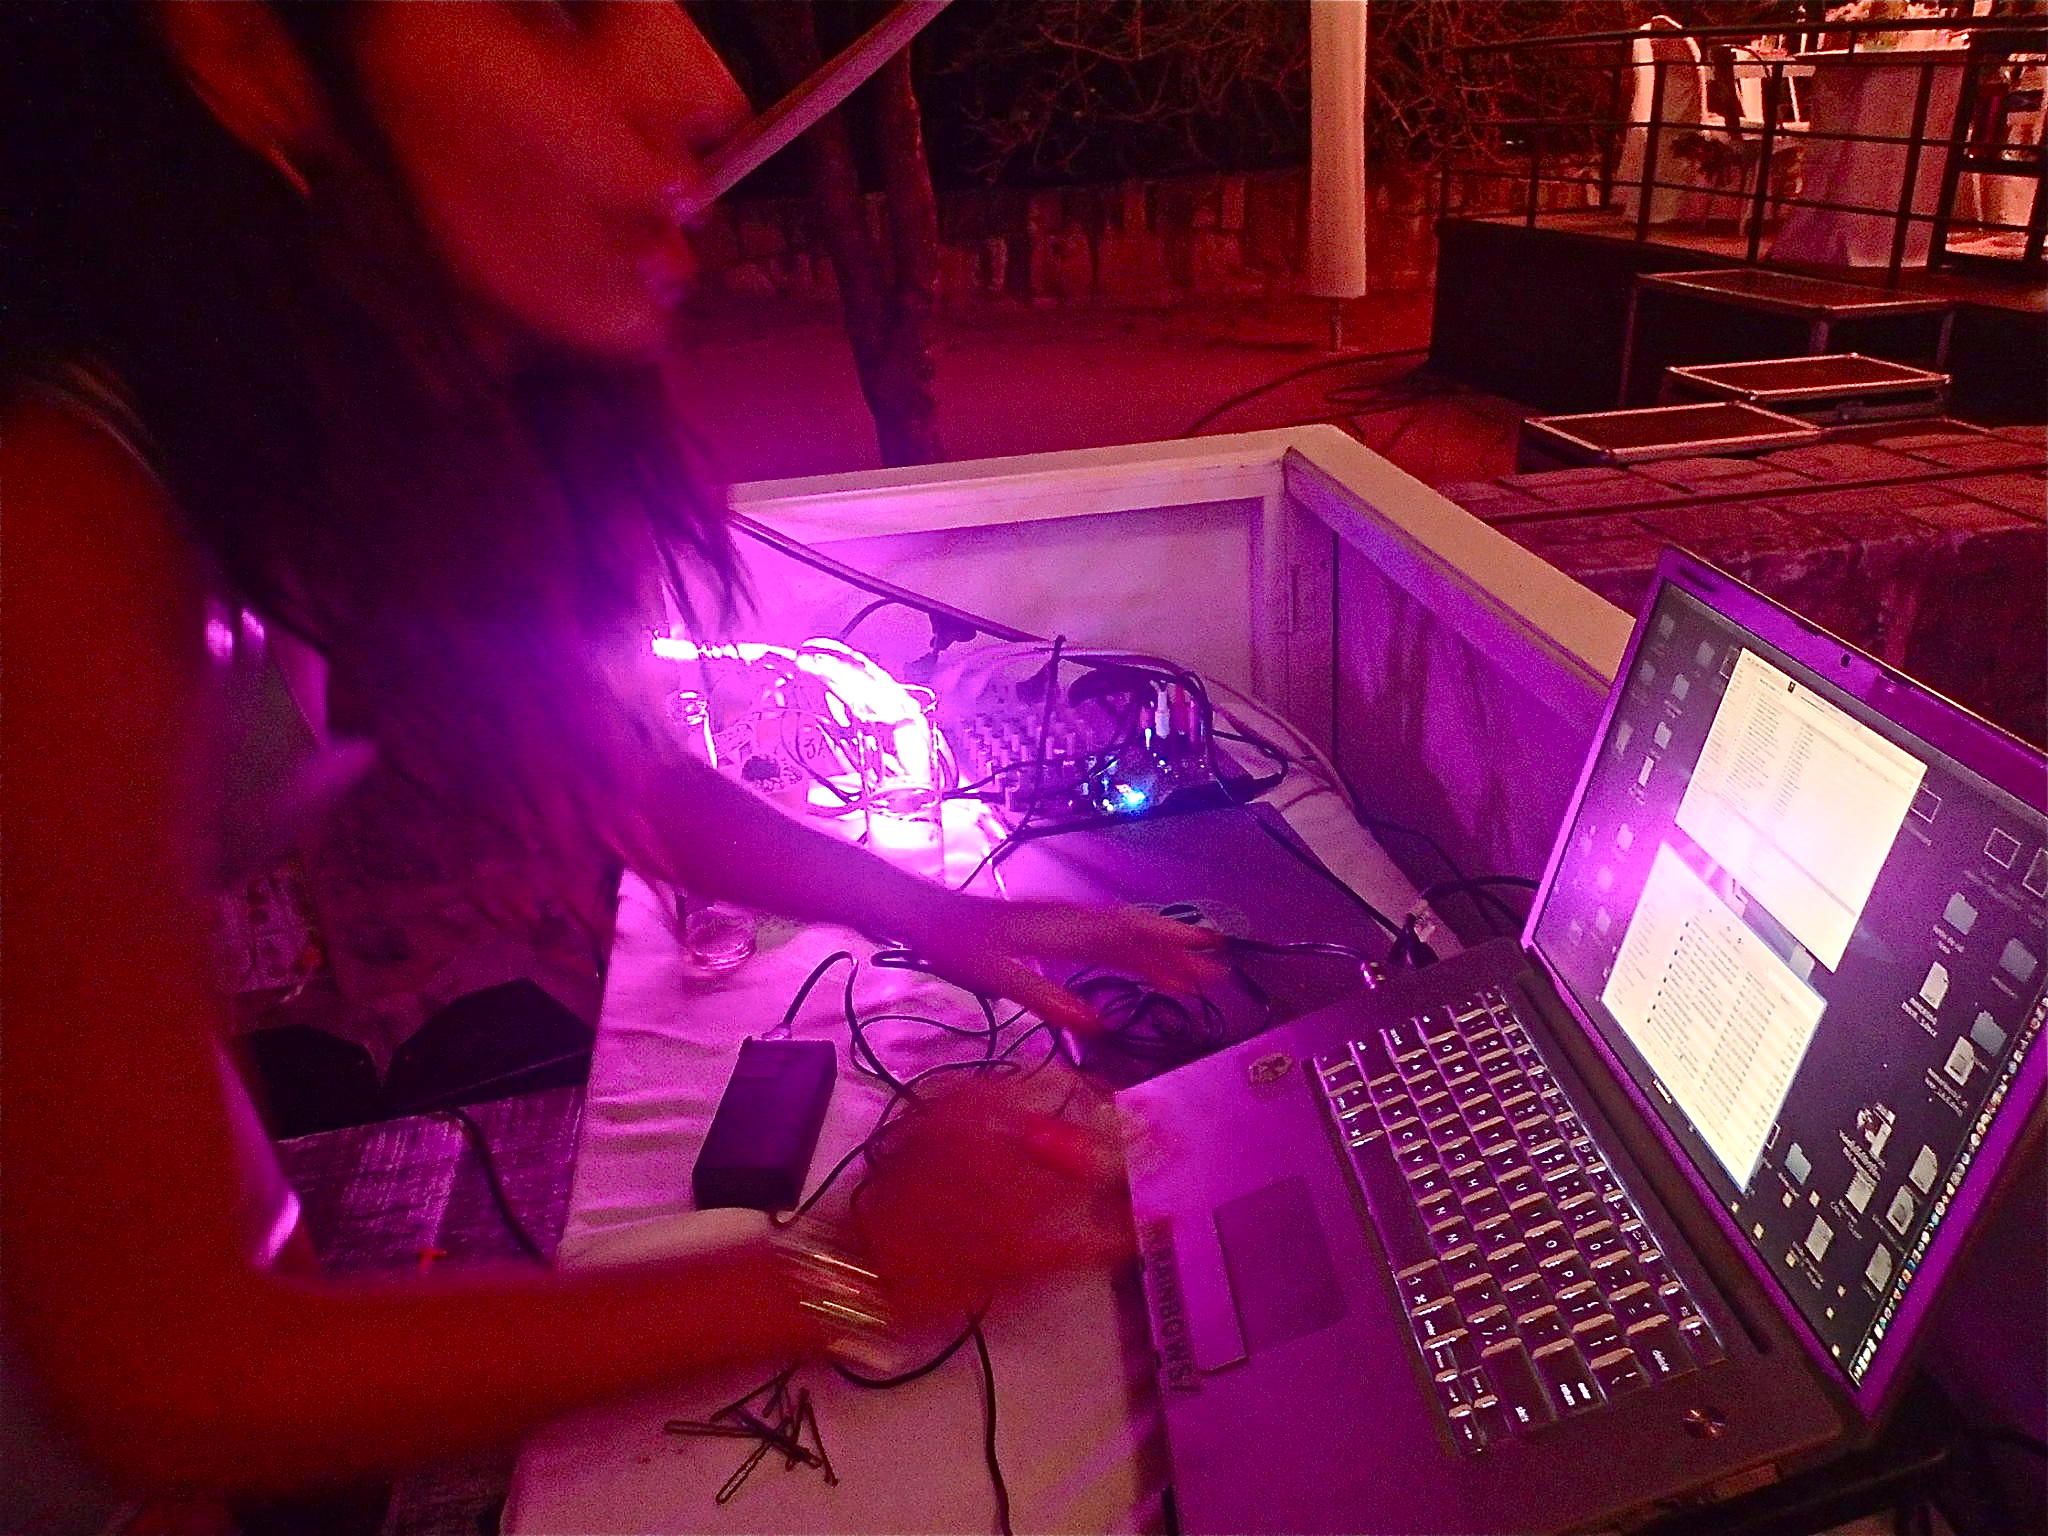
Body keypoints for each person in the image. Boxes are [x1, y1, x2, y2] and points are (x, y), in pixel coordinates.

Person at [0, 1, 1216, 1521]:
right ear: (248, 49)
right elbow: (163, 1382)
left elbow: (607, 773)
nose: (705, 83)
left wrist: (940, 917)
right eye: (568, 6)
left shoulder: (266, 431)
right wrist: (853, 1272)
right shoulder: (46, 516)